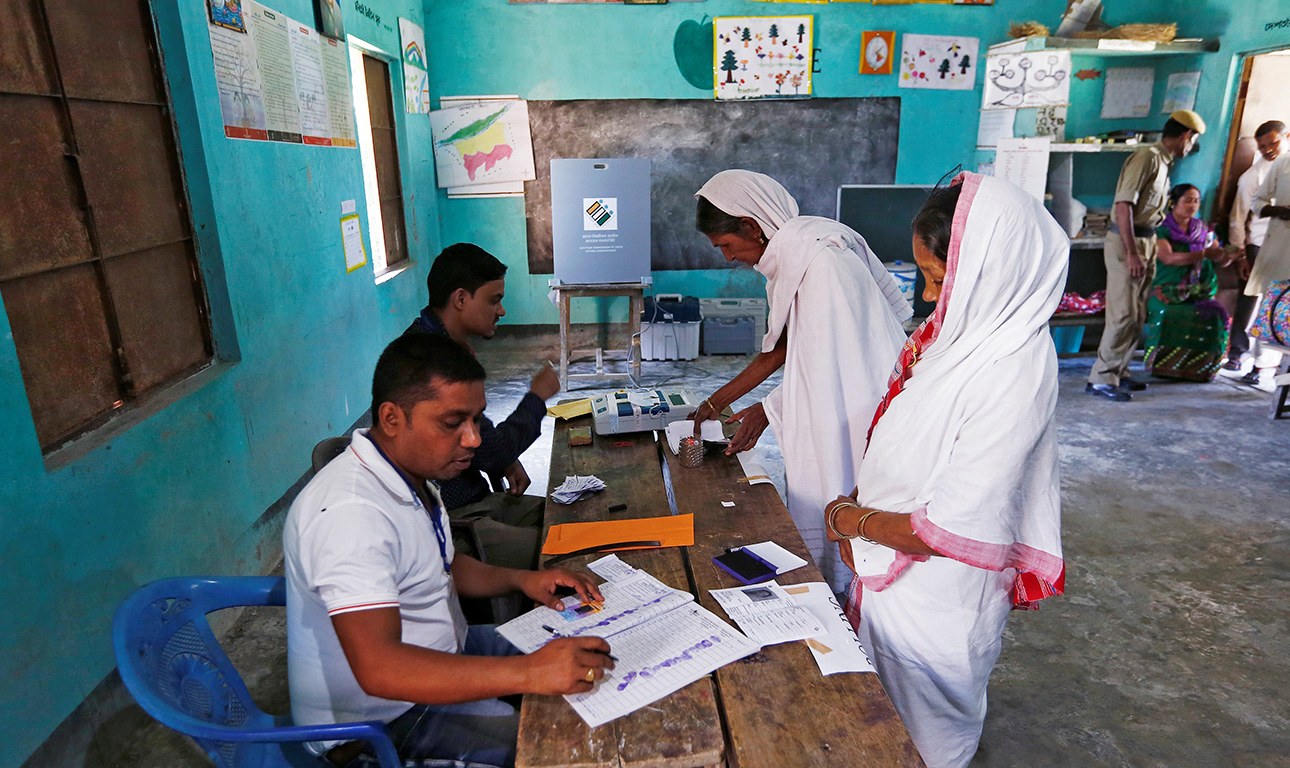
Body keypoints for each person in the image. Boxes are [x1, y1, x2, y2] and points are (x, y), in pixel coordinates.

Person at [825, 173, 1065, 768]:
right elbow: (901, 438)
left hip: (942, 592)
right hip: (891, 559)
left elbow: (951, 526)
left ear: (992, 272)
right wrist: (859, 506)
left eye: (939, 279)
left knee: (928, 723)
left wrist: (850, 519)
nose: (930, 299)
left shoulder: (1013, 369)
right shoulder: (954, 339)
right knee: (883, 708)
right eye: (926, 279)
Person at [285, 334, 611, 768]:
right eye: (452, 423)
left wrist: (523, 579)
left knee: (592, 655)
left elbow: (443, 566)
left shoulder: (409, 476)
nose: (473, 439)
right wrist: (530, 672)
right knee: (558, 749)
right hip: (381, 721)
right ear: (392, 418)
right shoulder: (351, 514)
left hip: (446, 650)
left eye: (476, 419)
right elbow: (380, 669)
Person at [687, 170, 910, 593]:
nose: (728, 257)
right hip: (842, 396)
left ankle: (849, 594)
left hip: (857, 403)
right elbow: (784, 347)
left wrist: (767, 409)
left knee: (845, 496)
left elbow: (833, 363)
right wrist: (714, 404)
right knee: (830, 499)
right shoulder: (797, 255)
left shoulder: (821, 263)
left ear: (751, 226)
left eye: (726, 245)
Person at [405, 243, 559, 571]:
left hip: (477, 499)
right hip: (453, 521)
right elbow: (492, 451)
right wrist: (537, 397)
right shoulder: (432, 363)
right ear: (461, 299)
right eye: (494, 300)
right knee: (565, 551)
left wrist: (505, 459)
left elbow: (481, 440)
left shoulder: (446, 346)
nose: (501, 311)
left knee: (570, 520)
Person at [1087, 109, 1207, 401]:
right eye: (1192, 140)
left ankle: (1119, 372)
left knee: (1138, 313)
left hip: (1147, 240)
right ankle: (1101, 378)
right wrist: (1131, 252)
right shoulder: (1147, 157)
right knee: (1123, 314)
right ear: (1186, 135)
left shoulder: (1164, 163)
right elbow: (1124, 206)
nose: (1190, 147)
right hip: (1127, 243)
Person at [1144, 184, 1237, 381]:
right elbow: (1168, 258)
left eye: (1196, 201)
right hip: (1168, 289)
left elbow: (1217, 258)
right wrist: (1203, 253)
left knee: (1217, 315)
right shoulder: (1161, 229)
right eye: (1187, 200)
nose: (1192, 205)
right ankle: (1164, 367)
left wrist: (1229, 256)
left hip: (1198, 290)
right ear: (1173, 203)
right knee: (1170, 313)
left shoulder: (1203, 229)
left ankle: (1201, 370)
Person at [1225, 121, 1285, 372]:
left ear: (1286, 138)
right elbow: (1237, 218)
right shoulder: (1252, 176)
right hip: (1258, 243)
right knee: (1249, 300)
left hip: (1285, 245)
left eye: (1273, 143)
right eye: (1262, 146)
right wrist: (1240, 254)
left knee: (1277, 303)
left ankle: (1265, 364)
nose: (1268, 150)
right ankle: (1236, 353)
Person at [1244, 136, 1290, 382]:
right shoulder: (1283, 163)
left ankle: (1284, 380)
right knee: (1273, 308)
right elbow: (1257, 201)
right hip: (1280, 248)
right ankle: (1260, 367)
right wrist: (1279, 211)